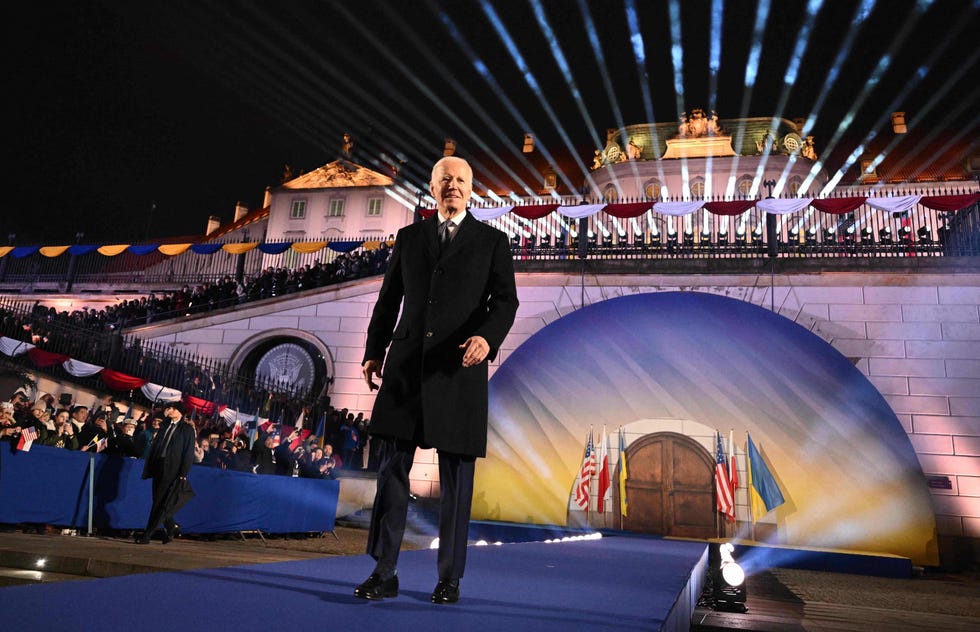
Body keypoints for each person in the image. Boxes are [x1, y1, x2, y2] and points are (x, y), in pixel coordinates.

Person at [356, 156, 518, 604]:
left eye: (461, 180)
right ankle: (384, 571)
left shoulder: (492, 242)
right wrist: (374, 351)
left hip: (459, 371)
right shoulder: (409, 239)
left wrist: (487, 338)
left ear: (472, 189)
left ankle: (449, 578)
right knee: (391, 476)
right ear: (432, 187)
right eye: (445, 179)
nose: (454, 186)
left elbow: (505, 302)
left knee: (456, 486)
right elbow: (388, 300)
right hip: (406, 372)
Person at [137, 402, 196, 544]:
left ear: (180, 412)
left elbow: (188, 452)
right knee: (158, 500)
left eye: (174, 409)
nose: (170, 411)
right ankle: (171, 526)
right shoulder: (164, 425)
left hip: (172, 468)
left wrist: (183, 472)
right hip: (158, 465)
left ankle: (147, 534)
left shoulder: (186, 429)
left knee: (159, 502)